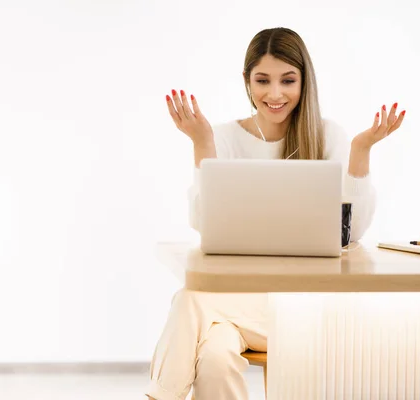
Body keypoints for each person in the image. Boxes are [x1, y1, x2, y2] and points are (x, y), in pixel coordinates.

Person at [145, 27, 405, 400]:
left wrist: (360, 151)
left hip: (304, 305)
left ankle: (158, 396)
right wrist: (202, 144)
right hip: (234, 301)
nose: (275, 94)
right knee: (216, 357)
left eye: (288, 80)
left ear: (305, 81)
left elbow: (352, 233)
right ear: (247, 82)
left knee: (190, 298)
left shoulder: (329, 136)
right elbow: (206, 225)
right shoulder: (221, 137)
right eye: (262, 80)